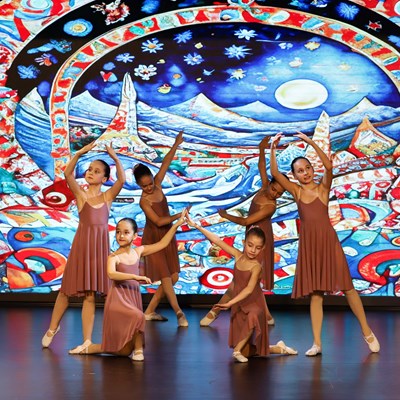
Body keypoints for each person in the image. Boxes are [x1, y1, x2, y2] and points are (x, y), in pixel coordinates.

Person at [269, 132, 380, 356]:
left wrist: (311, 142)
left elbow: (329, 167)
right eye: (300, 171)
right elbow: (275, 173)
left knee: (348, 287)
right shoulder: (296, 191)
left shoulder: (322, 188)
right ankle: (317, 343)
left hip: (329, 242)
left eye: (307, 168)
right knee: (316, 294)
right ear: (295, 176)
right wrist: (273, 148)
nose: (305, 173)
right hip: (310, 245)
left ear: (312, 169)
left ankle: (367, 331)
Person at [42, 141, 126, 352]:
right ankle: (52, 328)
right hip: (82, 248)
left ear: (104, 179)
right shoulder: (81, 195)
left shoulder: (107, 197)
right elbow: (68, 174)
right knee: (65, 291)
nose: (90, 173)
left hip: (98, 251)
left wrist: (115, 158)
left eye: (96, 171)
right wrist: (79, 152)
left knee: (90, 294)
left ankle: (87, 340)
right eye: (89, 169)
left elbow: (122, 180)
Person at [69, 213, 187, 360]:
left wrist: (177, 224)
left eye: (126, 232)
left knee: (123, 351)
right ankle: (138, 350)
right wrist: (135, 277)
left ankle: (89, 348)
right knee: (139, 316)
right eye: (118, 232)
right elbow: (111, 274)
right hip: (118, 301)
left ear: (135, 236)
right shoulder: (113, 257)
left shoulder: (138, 252)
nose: (121, 236)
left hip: (132, 298)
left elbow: (162, 244)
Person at [187, 215, 298, 363]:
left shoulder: (256, 267)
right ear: (244, 243)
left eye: (258, 248)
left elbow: (249, 290)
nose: (253, 250)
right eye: (250, 245)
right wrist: (197, 226)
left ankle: (237, 351)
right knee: (249, 352)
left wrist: (229, 303)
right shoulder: (238, 256)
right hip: (240, 304)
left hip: (253, 303)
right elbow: (217, 240)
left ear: (263, 248)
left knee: (252, 318)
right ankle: (278, 348)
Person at [200, 137, 286, 327]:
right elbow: (262, 167)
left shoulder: (270, 205)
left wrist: (226, 215)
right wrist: (262, 149)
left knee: (241, 281)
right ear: (270, 184)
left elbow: (247, 221)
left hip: (260, 242)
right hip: (252, 237)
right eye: (274, 189)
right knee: (250, 281)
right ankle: (268, 317)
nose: (275, 194)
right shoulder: (264, 188)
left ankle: (214, 312)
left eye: (279, 193)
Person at [133, 131, 189, 327]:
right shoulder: (144, 201)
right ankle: (179, 313)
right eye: (144, 186)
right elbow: (157, 221)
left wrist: (176, 144)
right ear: (139, 185)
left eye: (150, 183)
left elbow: (166, 162)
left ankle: (149, 311)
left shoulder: (157, 184)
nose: (149, 188)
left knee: (173, 277)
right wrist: (178, 217)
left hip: (168, 235)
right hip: (154, 239)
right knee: (165, 276)